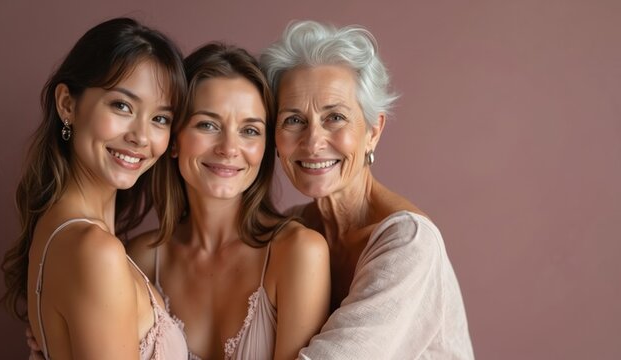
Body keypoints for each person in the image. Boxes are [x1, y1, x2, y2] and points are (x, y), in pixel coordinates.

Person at [260, 20, 475, 359]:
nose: (313, 141)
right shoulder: (291, 229)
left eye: (335, 117)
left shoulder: (409, 242)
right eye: (293, 120)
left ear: (373, 131)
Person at [0, 18, 189, 359]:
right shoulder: (94, 251)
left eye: (160, 118)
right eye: (122, 106)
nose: (141, 137)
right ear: (67, 105)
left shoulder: (61, 229)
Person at [127, 43, 331, 360]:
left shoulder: (298, 253)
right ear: (174, 139)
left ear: (265, 147)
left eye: (250, 130)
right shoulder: (141, 258)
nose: (229, 147)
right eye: (208, 125)